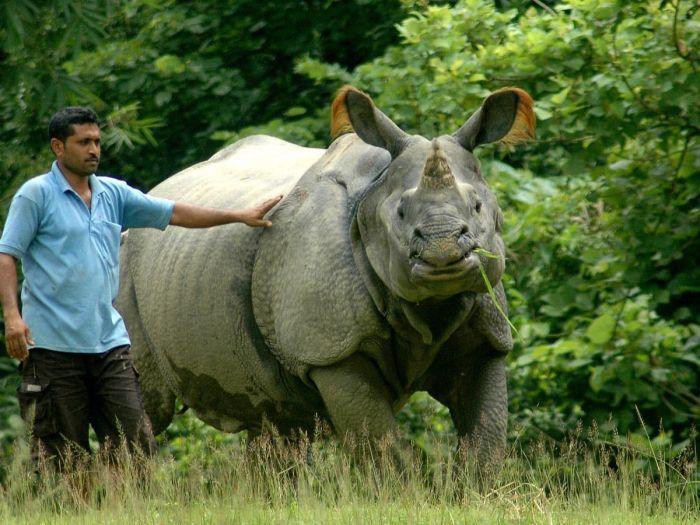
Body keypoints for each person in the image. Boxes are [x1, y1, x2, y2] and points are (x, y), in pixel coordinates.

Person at [0, 107, 282, 468]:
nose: (94, 150)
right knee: (63, 456)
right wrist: (12, 316)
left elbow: (175, 212)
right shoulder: (35, 196)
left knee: (136, 444)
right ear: (58, 146)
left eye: (97, 141)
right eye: (83, 142)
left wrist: (239, 215)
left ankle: (121, 508)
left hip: (108, 344)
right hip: (53, 348)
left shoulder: (113, 193)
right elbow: (7, 254)